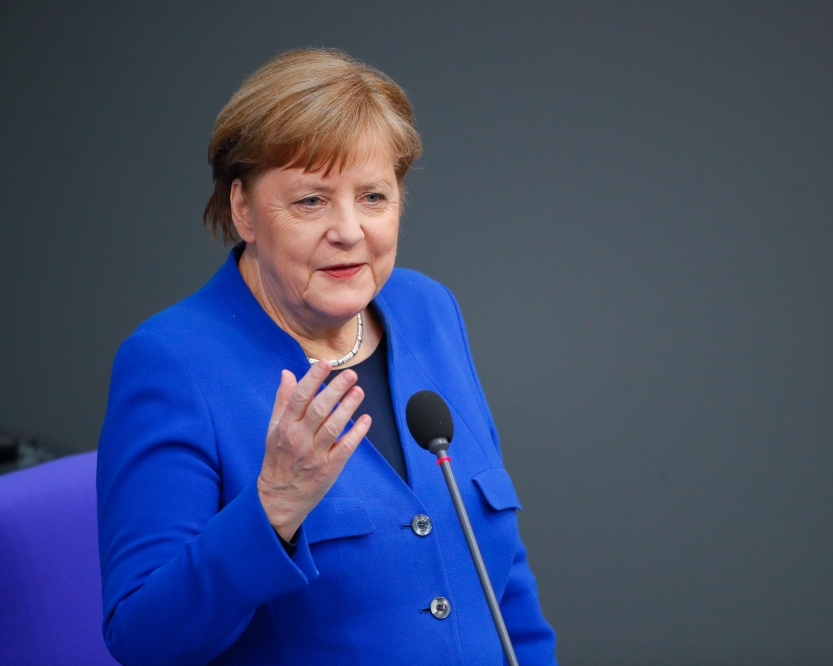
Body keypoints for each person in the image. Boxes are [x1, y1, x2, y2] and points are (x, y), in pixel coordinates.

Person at [97, 48, 557, 666]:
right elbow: (143, 639)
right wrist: (273, 508)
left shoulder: (429, 310)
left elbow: (501, 579)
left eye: (373, 197)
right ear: (244, 210)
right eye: (312, 201)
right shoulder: (173, 364)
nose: (349, 230)